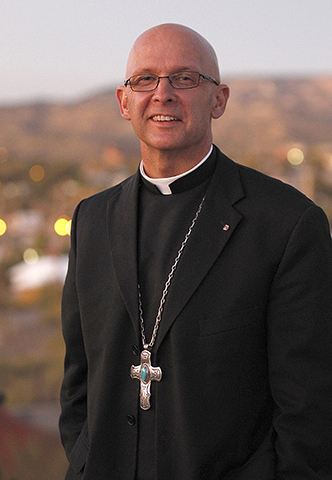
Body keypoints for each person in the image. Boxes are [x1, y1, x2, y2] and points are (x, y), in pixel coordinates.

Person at [59, 23, 332, 480]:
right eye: (145, 79)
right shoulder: (91, 219)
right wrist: (86, 461)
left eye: (185, 79)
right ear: (125, 102)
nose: (162, 93)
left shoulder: (287, 224)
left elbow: (310, 412)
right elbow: (77, 379)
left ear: (219, 99)